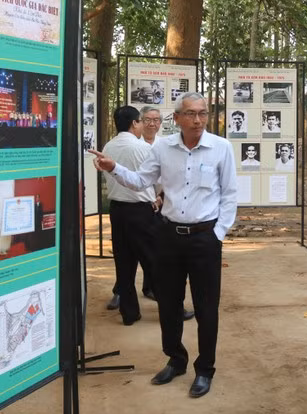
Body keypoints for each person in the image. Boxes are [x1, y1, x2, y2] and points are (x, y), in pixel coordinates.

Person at [90, 92, 237, 399]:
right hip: (168, 238)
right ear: (178, 118)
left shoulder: (221, 148)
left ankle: (205, 369)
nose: (197, 120)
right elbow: (140, 182)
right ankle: (176, 359)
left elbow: (229, 194)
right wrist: (113, 167)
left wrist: (218, 233)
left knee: (206, 308)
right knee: (169, 305)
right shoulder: (164, 149)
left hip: (204, 239)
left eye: (202, 114)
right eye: (191, 114)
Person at [100, 105, 160, 325]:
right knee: (155, 262)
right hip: (141, 211)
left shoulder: (108, 146)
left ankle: (129, 313)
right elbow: (158, 180)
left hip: (117, 211)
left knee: (123, 265)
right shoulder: (143, 149)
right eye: (142, 121)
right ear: (135, 123)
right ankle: (171, 309)